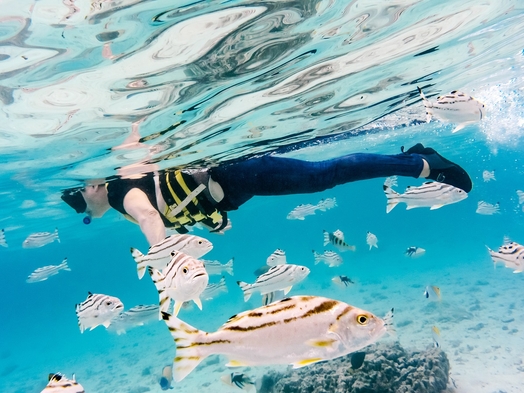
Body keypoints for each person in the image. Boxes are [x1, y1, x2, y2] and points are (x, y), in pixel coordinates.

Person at [61, 143, 472, 246]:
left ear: (92, 188)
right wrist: (213, 223)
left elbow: (152, 219)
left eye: (78, 200)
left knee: (323, 177)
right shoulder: (123, 200)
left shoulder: (123, 196)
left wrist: (164, 265)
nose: (82, 206)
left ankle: (422, 162)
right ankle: (415, 162)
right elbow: (176, 211)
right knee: (322, 177)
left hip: (239, 175)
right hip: (237, 184)